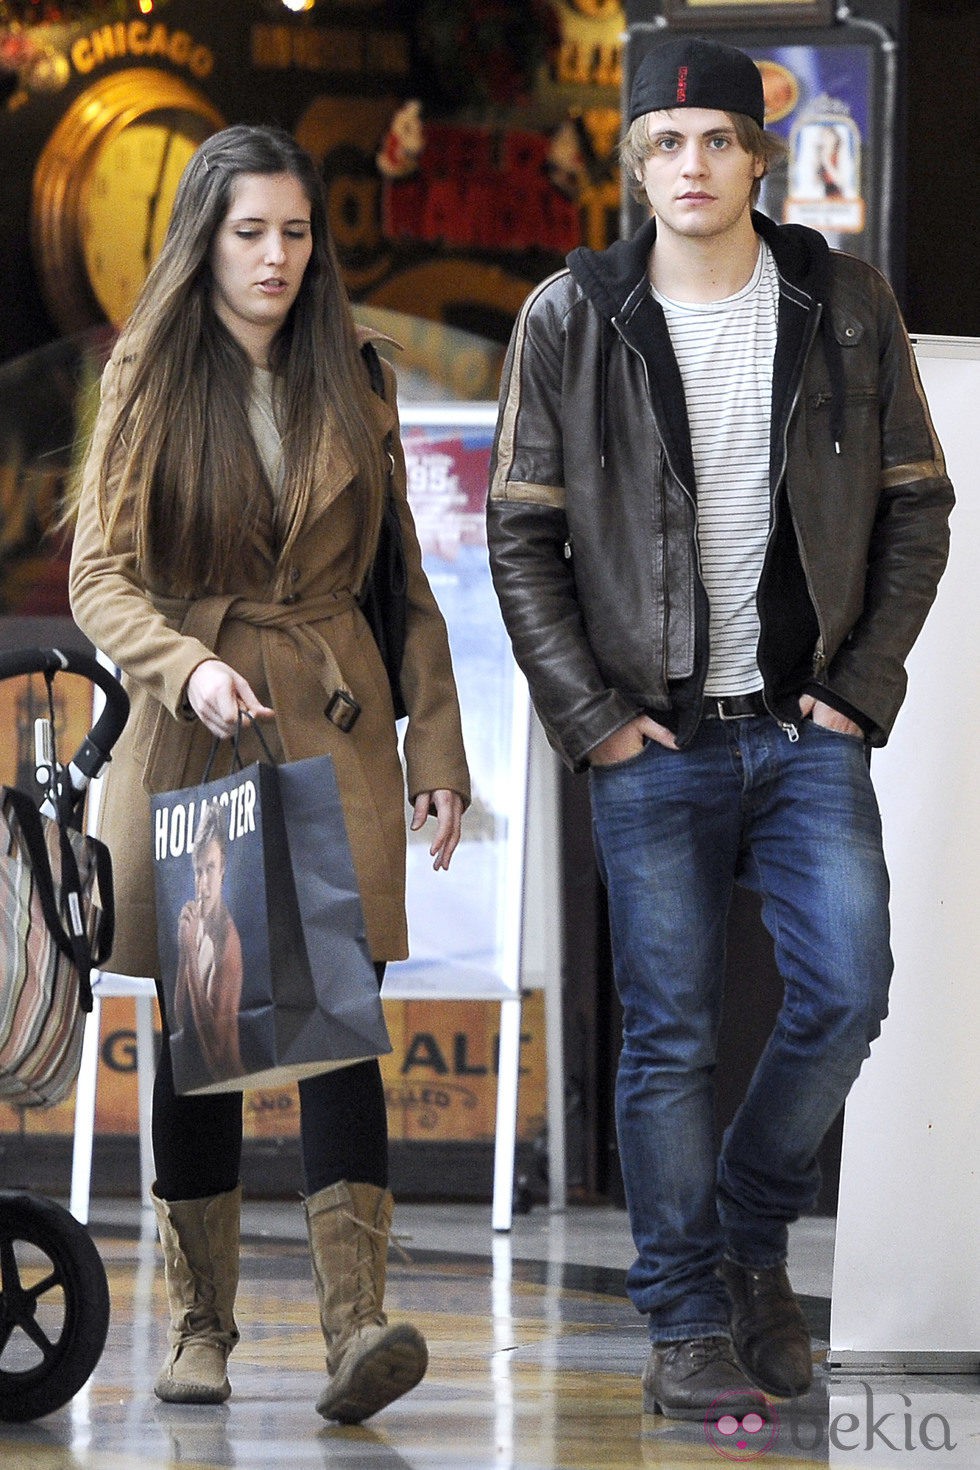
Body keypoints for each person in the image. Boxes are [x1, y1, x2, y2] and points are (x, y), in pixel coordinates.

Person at [486, 36, 953, 1420]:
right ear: (635, 165)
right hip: (656, 736)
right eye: (664, 143)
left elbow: (919, 502)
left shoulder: (845, 301)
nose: (690, 165)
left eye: (715, 140)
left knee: (849, 986)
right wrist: (598, 717)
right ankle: (686, 1313)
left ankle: (752, 1225)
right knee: (671, 1035)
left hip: (809, 728)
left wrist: (861, 683)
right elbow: (524, 536)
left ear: (759, 156)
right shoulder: (572, 314)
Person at [68, 123, 470, 1422]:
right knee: (207, 1025)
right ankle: (201, 1330)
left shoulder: (356, 373)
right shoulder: (149, 372)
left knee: (341, 1021)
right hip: (206, 720)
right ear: (204, 236)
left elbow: (402, 582)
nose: (278, 256)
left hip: (337, 715)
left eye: (297, 231)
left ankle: (360, 1327)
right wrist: (183, 665)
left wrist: (440, 744)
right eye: (251, 231)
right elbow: (97, 576)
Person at [174, 800, 244, 1086]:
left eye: (210, 869)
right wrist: (184, 951)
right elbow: (179, 1018)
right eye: (198, 871)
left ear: (224, 868)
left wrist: (189, 954)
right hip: (199, 1080)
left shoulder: (228, 942)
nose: (202, 884)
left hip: (228, 1079)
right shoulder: (197, 928)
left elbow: (216, 1051)